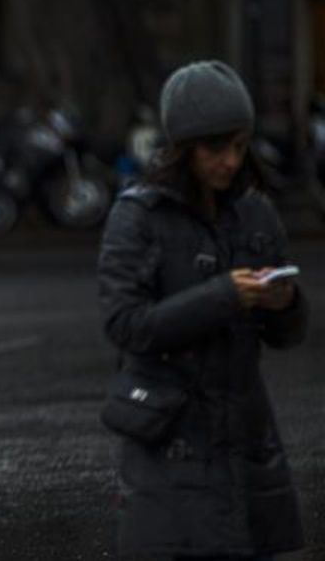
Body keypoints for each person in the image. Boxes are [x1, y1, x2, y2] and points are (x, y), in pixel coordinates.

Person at [97, 60, 309, 560]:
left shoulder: (255, 211)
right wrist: (224, 295)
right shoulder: (138, 216)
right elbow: (125, 324)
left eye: (239, 146)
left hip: (245, 437)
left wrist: (284, 302)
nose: (230, 162)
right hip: (168, 440)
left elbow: (288, 334)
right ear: (183, 147)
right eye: (216, 148)